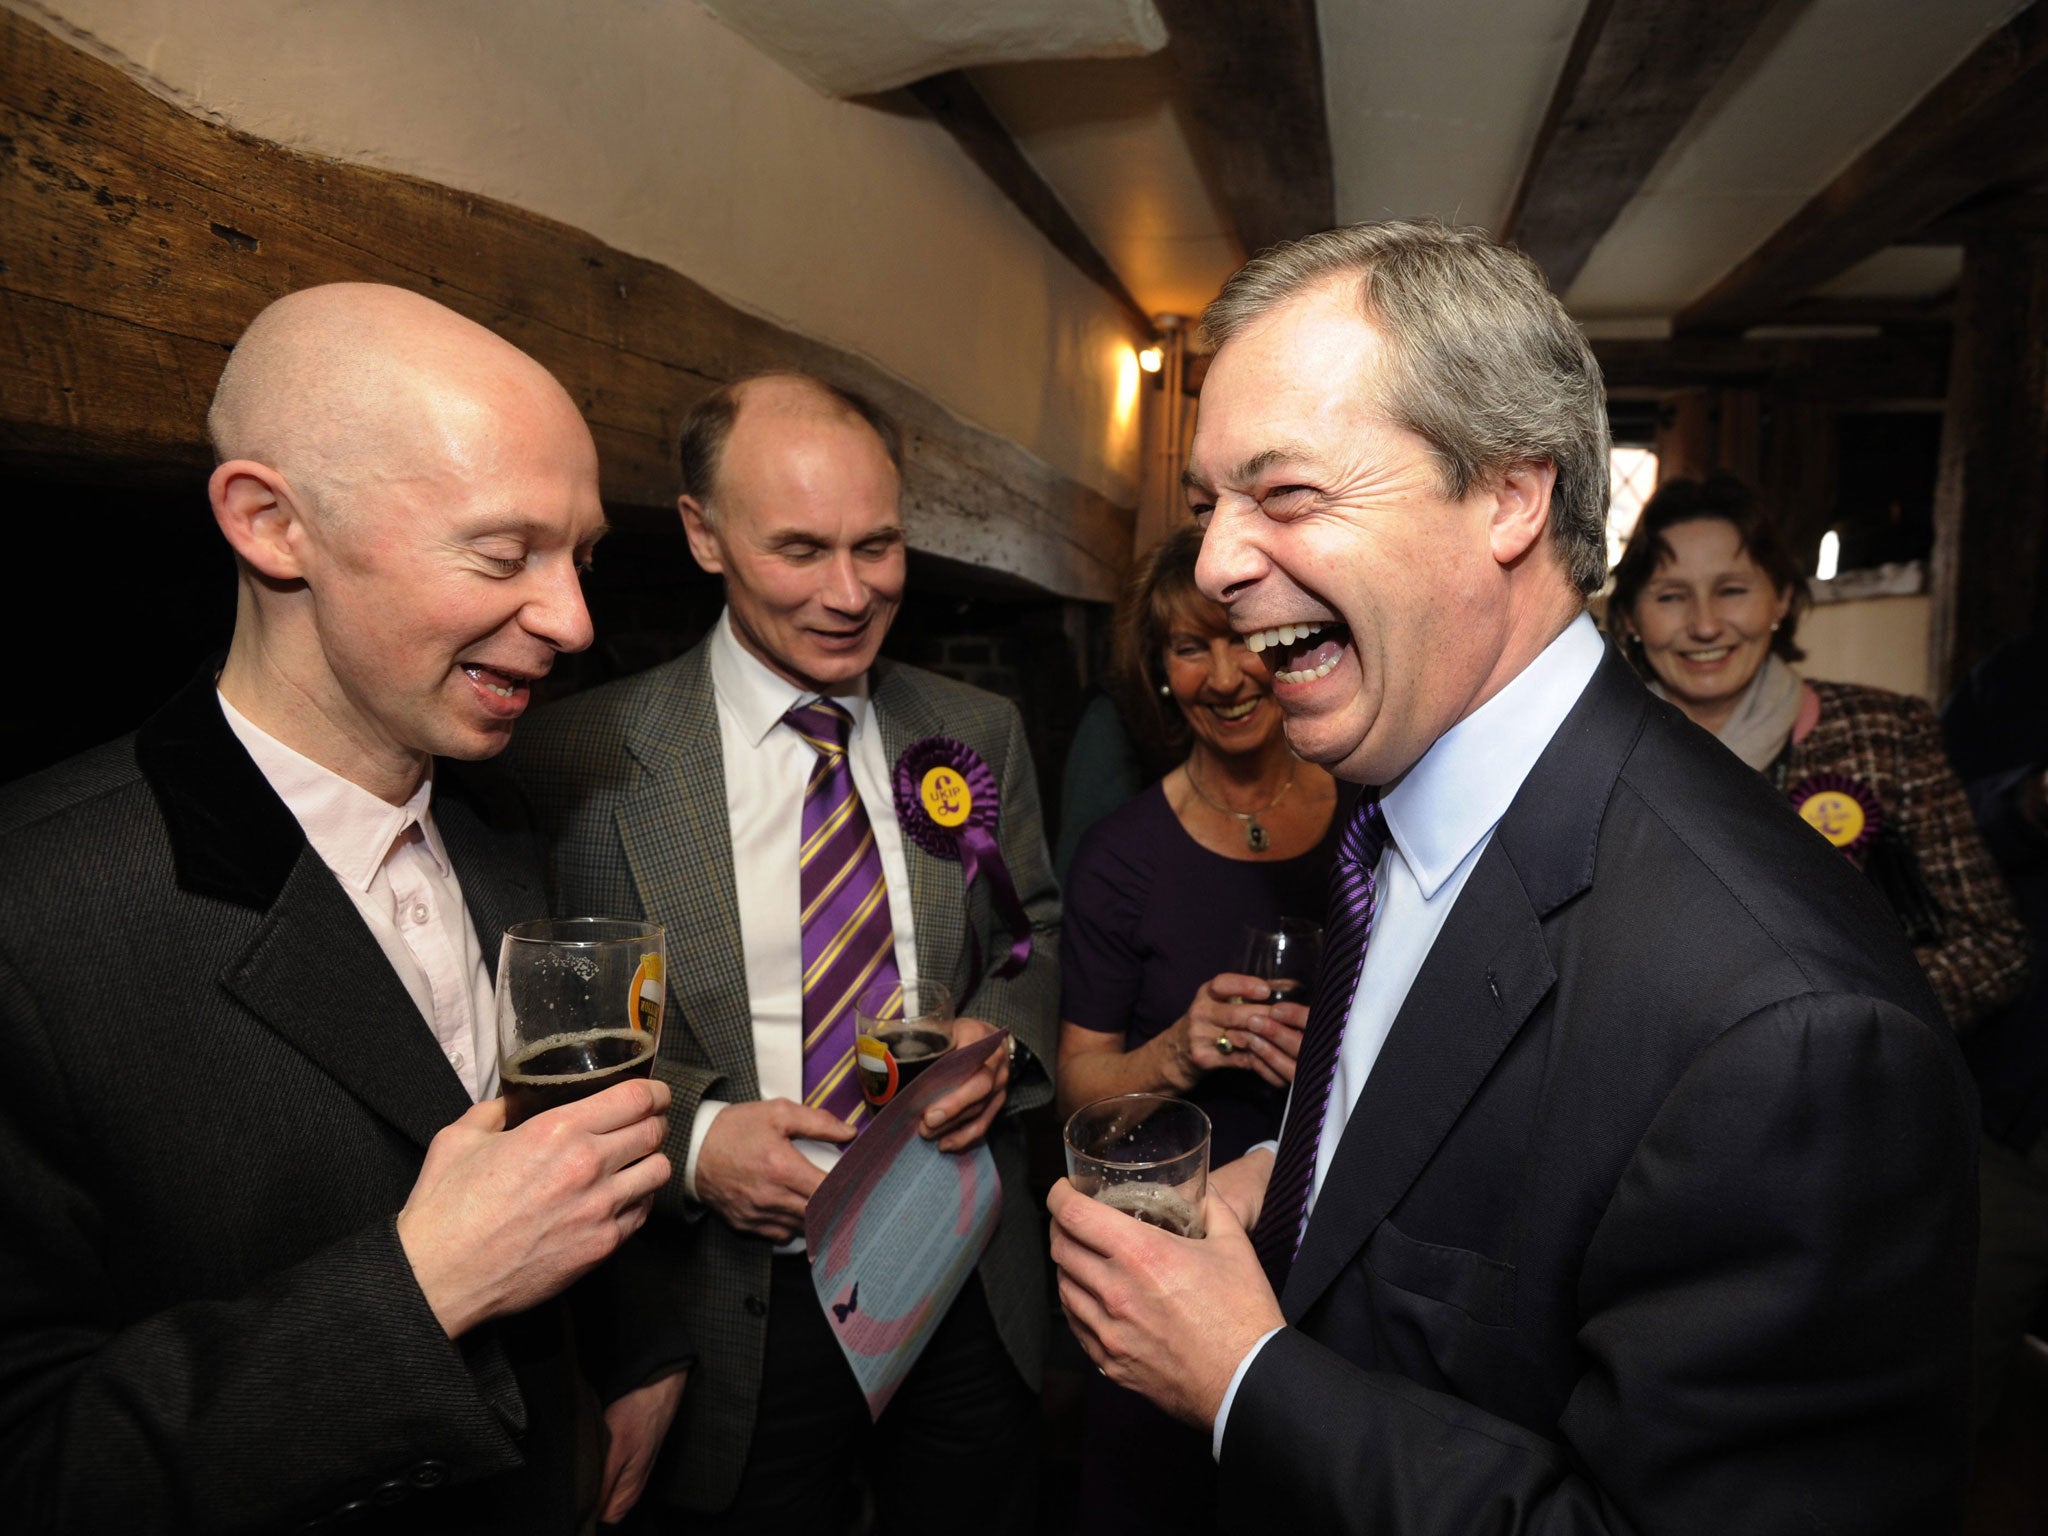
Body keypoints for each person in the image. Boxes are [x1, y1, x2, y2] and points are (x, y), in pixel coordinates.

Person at [1046, 220, 1978, 1533]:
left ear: (1508, 496)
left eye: (1287, 494)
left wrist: (1248, 1380)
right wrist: (1302, 1194)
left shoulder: (1797, 1031)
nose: (1212, 563)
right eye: (1210, 504)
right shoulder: (1389, 811)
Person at [0, 284, 681, 1534]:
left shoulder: (507, 825)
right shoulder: (33, 913)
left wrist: (638, 1351)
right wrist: (421, 1290)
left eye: (580, 557)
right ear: (270, 524)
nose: (573, 621)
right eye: (500, 553)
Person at [509, 372, 1059, 1534]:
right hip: (728, 1309)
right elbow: (527, 1032)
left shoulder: (976, 730)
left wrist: (998, 1040)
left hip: (961, 1268)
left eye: (878, 545)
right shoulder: (575, 758)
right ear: (704, 535)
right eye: (801, 549)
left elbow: (1029, 937)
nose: (851, 593)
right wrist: (698, 1142)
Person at [1057, 520, 1345, 1534]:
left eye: (1244, 638)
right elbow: (1077, 1082)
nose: (1226, 675)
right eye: (1190, 646)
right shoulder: (1119, 854)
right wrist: (1179, 1049)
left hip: (1332, 1252)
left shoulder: (1369, 818)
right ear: (1160, 672)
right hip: (1169, 1257)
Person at [1607, 473, 2027, 1030]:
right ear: (1632, 617)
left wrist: (1840, 1013)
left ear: (1780, 597)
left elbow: (1997, 948)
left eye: (1733, 590)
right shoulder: (1600, 749)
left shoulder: (1888, 733)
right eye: (1670, 596)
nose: (1705, 624)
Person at [1942, 627, 2048, 1429]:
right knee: (1956, 1351)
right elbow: (1940, 817)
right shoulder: (2018, 672)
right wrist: (2032, 799)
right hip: (2014, 1101)